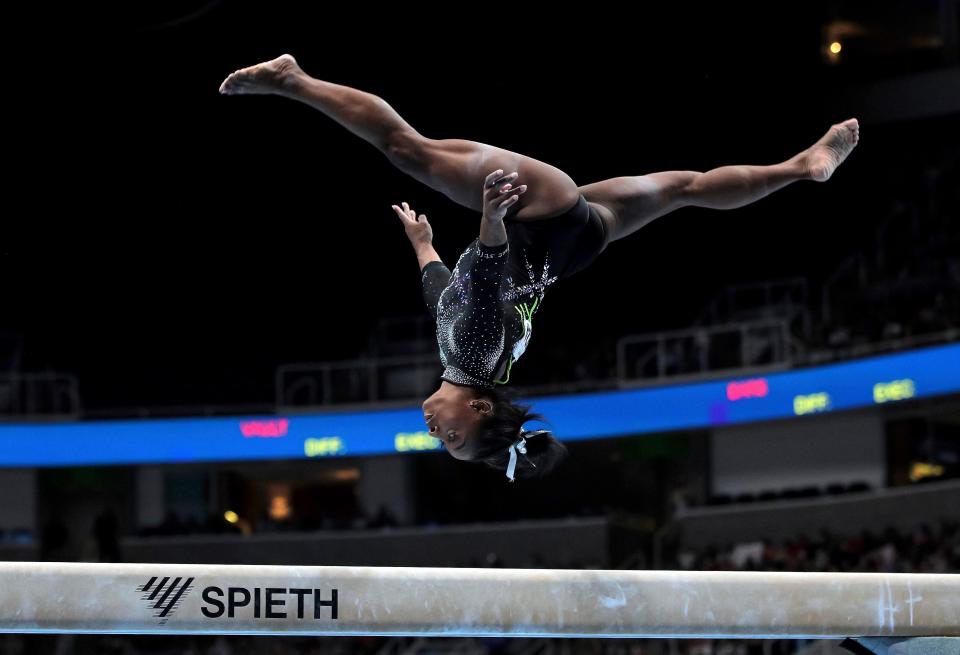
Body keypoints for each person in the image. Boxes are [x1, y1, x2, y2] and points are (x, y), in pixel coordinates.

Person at [220, 55, 859, 481]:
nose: (435, 430)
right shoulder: (474, 354)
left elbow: (445, 296)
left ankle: (803, 168)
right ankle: (294, 79)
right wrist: (493, 220)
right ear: (479, 412)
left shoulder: (470, 361)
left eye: (442, 441)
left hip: (571, 248)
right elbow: (488, 282)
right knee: (405, 149)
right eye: (452, 437)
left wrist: (423, 246)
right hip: (538, 219)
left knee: (684, 188)